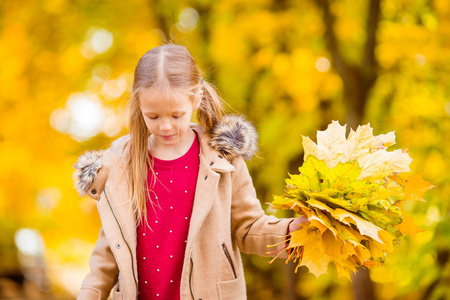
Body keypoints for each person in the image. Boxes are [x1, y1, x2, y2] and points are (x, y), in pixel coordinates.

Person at [73, 44, 307, 300]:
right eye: (152, 116)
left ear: (196, 99)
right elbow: (108, 252)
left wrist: (292, 232)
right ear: (138, 104)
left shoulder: (223, 158)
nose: (165, 126)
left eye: (177, 115)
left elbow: (249, 228)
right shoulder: (119, 163)